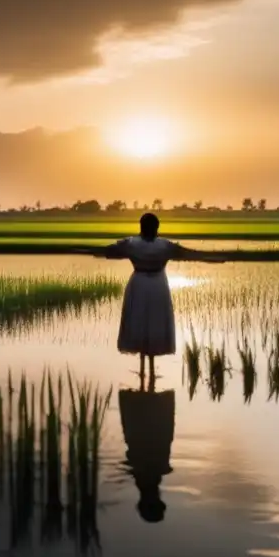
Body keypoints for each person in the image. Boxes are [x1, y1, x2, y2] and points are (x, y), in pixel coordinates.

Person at [82, 212, 225, 380]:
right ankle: (149, 367)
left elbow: (107, 251)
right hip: (157, 285)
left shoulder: (132, 243)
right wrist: (213, 258)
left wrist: (82, 250)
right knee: (155, 321)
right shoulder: (164, 246)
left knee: (139, 320)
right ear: (157, 228)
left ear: (141, 227)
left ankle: (143, 366)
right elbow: (190, 254)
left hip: (139, 283)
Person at [119, 375, 176, 524]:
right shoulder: (152, 474)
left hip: (145, 427)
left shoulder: (151, 474)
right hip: (147, 426)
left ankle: (146, 378)